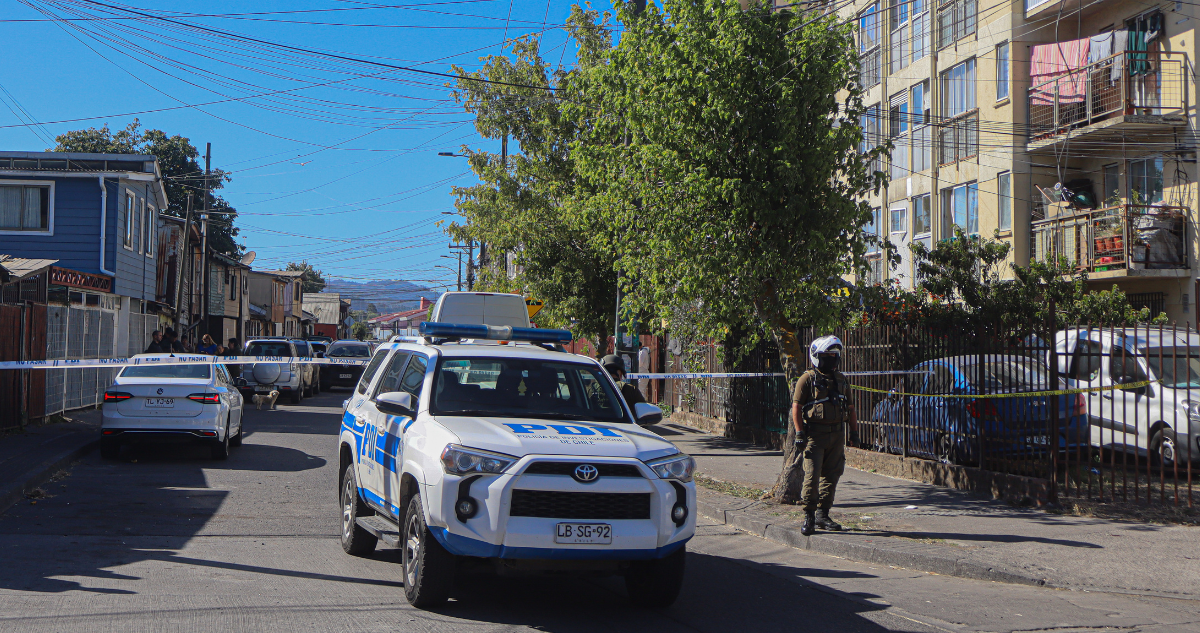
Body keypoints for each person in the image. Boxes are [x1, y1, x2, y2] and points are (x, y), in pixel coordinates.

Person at [788, 335, 860, 536]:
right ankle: (809, 516)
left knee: (832, 474)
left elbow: (851, 408)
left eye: (834, 355)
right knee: (812, 475)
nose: (831, 359)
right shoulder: (807, 379)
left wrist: (854, 432)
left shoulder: (841, 380)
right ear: (817, 356)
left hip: (837, 435)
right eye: (827, 355)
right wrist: (800, 433)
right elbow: (796, 407)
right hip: (815, 436)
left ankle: (823, 514)